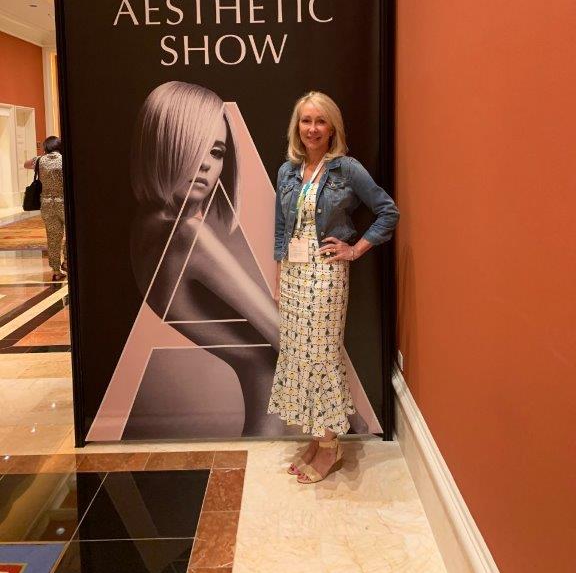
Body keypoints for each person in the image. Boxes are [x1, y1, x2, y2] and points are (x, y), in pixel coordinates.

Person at [130, 81, 284, 436]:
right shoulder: (187, 234)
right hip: (268, 420)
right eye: (190, 146)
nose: (205, 165)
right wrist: (351, 416)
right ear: (158, 146)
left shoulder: (146, 224)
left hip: (266, 414)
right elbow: (286, 335)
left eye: (216, 152)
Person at [267, 91, 400, 483]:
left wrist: (355, 249)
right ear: (297, 127)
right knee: (298, 355)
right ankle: (315, 438)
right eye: (306, 121)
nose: (312, 129)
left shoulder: (347, 169)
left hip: (325, 276)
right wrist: (279, 275)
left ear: (332, 128)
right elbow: (280, 229)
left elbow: (387, 211)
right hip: (293, 276)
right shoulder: (287, 171)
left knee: (321, 357)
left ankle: (328, 446)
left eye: (320, 121)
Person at [24, 136, 66, 282]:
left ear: (46, 147)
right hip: (64, 203)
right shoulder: (65, 159)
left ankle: (56, 270)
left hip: (47, 204)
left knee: (53, 237)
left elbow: (25, 164)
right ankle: (67, 261)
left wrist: (41, 158)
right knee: (71, 235)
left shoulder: (40, 160)